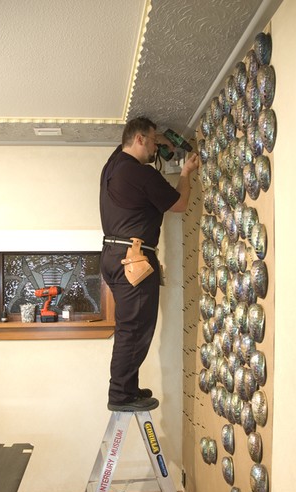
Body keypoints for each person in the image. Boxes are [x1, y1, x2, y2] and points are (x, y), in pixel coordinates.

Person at [100, 116, 199, 412]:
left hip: (115, 256)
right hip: (135, 259)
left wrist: (164, 142)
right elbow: (179, 204)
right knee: (135, 328)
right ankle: (120, 394)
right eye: (153, 141)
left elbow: (128, 146)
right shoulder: (142, 174)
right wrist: (186, 172)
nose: (156, 147)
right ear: (140, 139)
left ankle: (127, 388)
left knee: (130, 326)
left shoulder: (113, 165)